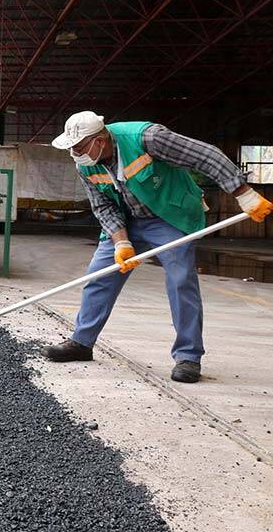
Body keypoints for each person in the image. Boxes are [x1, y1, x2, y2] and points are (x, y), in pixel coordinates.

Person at [43, 111, 272, 383]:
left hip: (167, 216)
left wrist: (243, 193)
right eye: (72, 149)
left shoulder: (148, 138)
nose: (74, 154)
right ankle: (82, 343)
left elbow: (206, 156)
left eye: (79, 148)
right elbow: (102, 206)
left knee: (180, 280)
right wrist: (121, 242)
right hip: (126, 221)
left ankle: (188, 357)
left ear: (100, 141)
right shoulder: (86, 164)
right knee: (99, 275)